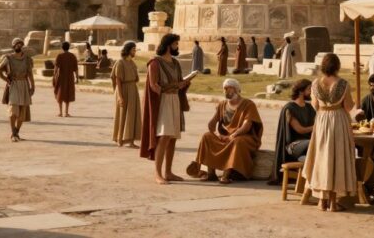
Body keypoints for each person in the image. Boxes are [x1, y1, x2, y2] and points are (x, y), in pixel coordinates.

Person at [302, 53, 357, 212]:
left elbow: (315, 106)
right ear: (337, 66)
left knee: (322, 158)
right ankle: (333, 202)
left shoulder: (315, 84)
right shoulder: (343, 84)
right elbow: (348, 107)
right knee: (337, 159)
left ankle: (321, 201)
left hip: (322, 120)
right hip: (338, 121)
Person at [186, 78, 263, 183]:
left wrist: (234, 135)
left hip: (243, 137)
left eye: (230, 89)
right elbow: (213, 123)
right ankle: (210, 173)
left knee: (236, 141)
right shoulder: (222, 104)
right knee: (206, 136)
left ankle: (226, 175)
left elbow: (247, 126)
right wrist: (212, 126)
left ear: (237, 90)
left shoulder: (248, 104)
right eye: (225, 89)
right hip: (225, 136)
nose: (227, 92)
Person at [141, 33, 192, 185]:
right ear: (168, 45)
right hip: (163, 102)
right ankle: (158, 173)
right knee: (163, 137)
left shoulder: (175, 63)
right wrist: (174, 86)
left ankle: (168, 172)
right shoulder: (155, 63)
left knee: (172, 138)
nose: (177, 46)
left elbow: (179, 81)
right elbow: (154, 86)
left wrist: (185, 83)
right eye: (176, 44)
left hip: (175, 100)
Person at [268, 79, 316, 184]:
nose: (311, 92)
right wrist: (316, 127)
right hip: (294, 145)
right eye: (309, 89)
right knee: (312, 143)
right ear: (300, 91)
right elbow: (300, 130)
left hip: (308, 142)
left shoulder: (309, 107)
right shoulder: (290, 108)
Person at [0, 39, 34, 142]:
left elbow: (30, 73)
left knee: (22, 112)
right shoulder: (8, 58)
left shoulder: (27, 59)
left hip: (24, 85)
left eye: (20, 45)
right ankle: (13, 133)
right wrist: (6, 79)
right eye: (16, 45)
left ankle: (16, 133)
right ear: (13, 46)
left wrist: (32, 86)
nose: (18, 46)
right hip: (13, 85)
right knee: (13, 110)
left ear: (22, 46)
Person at [112, 42, 142, 148]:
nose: (134, 52)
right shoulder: (120, 62)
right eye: (133, 49)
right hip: (123, 90)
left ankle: (131, 141)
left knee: (132, 114)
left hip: (133, 89)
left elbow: (136, 78)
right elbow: (118, 80)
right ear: (128, 50)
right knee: (122, 114)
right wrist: (120, 96)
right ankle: (120, 139)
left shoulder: (132, 63)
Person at [51, 41, 79, 117]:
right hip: (69, 77)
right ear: (68, 47)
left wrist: (54, 76)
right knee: (67, 93)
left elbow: (56, 68)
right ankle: (66, 112)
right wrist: (77, 77)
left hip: (61, 77)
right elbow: (76, 68)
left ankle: (60, 112)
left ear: (62, 48)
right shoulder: (72, 56)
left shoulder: (59, 56)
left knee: (60, 93)